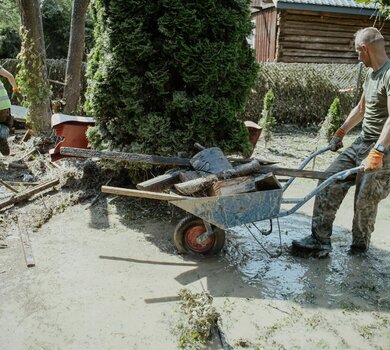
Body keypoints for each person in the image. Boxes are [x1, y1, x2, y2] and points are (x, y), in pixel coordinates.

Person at [292, 27, 390, 256]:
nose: (357, 57)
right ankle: (320, 240)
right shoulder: (371, 74)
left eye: (358, 52)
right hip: (363, 141)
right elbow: (362, 108)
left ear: (365, 49)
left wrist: (378, 150)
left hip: (384, 148)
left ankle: (359, 250)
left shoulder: (389, 74)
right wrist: (341, 131)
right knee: (328, 180)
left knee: (364, 200)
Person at [0, 65, 19, 156]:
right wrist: (15, 88)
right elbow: (10, 76)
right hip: (4, 104)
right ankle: (2, 135)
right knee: (6, 123)